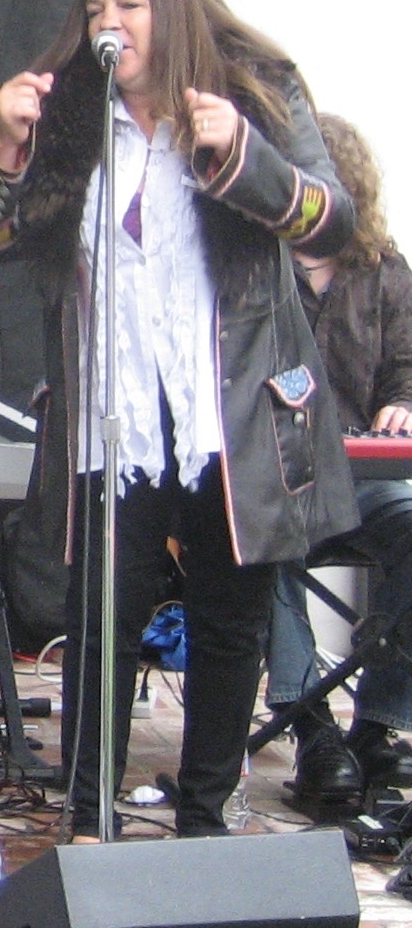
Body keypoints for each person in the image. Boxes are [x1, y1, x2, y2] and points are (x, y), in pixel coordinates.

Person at [0, 0, 356, 841]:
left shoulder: (253, 91)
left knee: (229, 619)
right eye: (97, 7)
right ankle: (90, 810)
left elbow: (331, 219)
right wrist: (8, 148)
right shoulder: (70, 116)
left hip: (234, 410)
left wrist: (243, 153)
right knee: (102, 613)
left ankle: (208, 814)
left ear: (170, 9)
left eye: (129, 5)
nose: (110, 24)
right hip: (118, 410)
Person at [265, 113, 412, 802]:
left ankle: (380, 726)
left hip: (365, 482)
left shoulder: (386, 274)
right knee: (257, 537)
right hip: (283, 481)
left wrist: (403, 404)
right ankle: (312, 727)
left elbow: (407, 370)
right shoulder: (254, 271)